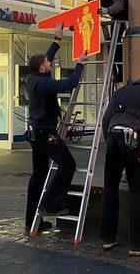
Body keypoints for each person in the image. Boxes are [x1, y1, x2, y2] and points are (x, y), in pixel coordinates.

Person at [25, 23, 89, 235]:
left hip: (35, 133)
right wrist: (79, 64)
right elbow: (69, 84)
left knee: (39, 176)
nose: (49, 63)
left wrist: (57, 40)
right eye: (47, 63)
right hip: (45, 134)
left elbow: (47, 58)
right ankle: (51, 204)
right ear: (43, 68)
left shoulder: (34, 78)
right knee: (68, 165)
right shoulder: (44, 84)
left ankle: (31, 222)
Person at [99, 77, 140, 256]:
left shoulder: (120, 91)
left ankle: (108, 237)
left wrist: (110, 140)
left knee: (110, 188)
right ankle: (138, 243)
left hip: (112, 135)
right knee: (137, 190)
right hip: (131, 138)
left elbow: (105, 119)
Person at [83, 0, 128, 82]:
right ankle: (117, 72)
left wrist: (107, 10)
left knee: (119, 44)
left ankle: (123, 71)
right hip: (116, 18)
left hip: (129, 16)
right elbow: (89, 11)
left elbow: (120, 4)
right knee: (113, 44)